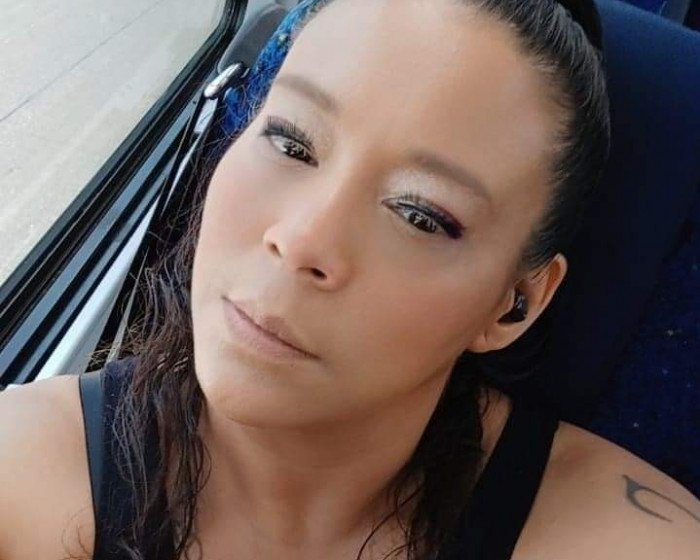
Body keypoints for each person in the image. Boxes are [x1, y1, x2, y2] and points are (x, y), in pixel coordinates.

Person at [1, 0, 699, 559]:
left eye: (420, 214)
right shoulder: (22, 478)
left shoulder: (626, 539)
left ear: (514, 305)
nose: (302, 240)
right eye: (291, 141)